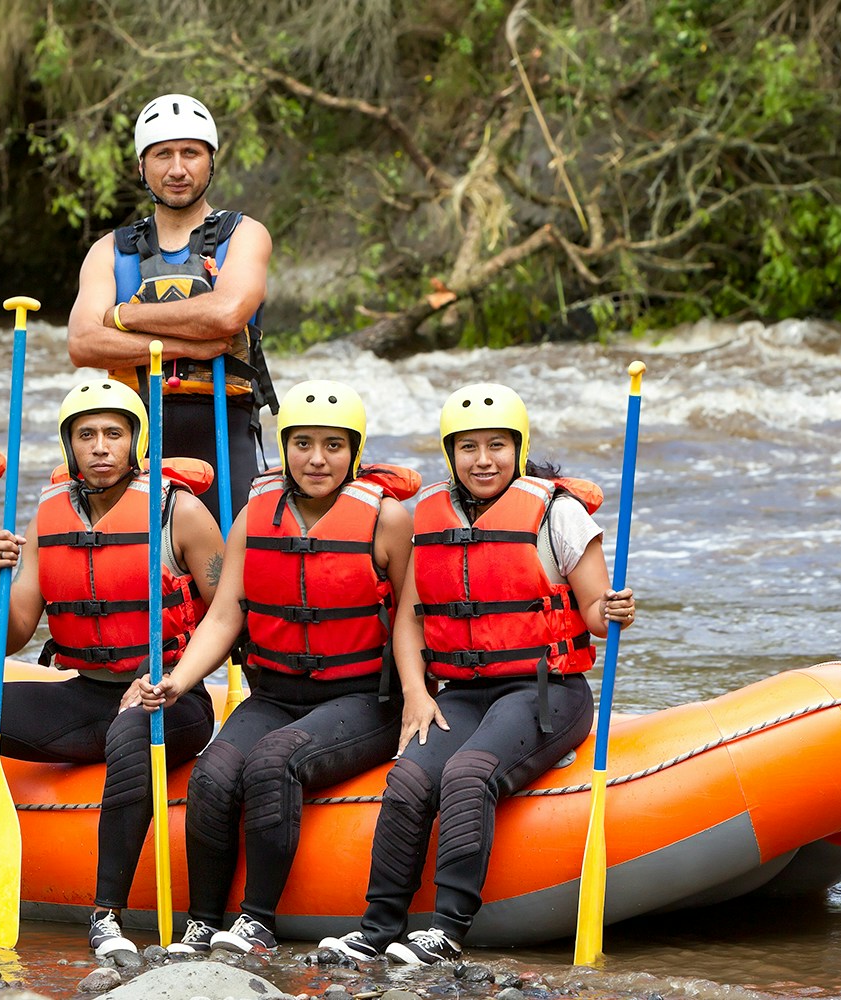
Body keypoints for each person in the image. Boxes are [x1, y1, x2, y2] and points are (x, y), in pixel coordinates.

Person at [0, 378, 226, 958]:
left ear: (137, 441)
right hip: (86, 695)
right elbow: (14, 635)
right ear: (69, 446)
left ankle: (107, 915)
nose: (100, 447)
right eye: (86, 435)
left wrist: (172, 680)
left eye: (114, 434)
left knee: (132, 730)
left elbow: (226, 614)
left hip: (172, 700)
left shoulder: (182, 513)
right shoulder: (49, 515)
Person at [317, 383, 637, 965]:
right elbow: (411, 621)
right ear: (450, 453)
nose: (482, 460)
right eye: (468, 448)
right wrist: (415, 694)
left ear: (518, 448)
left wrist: (613, 610)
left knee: (468, 772)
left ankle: (445, 932)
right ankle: (376, 929)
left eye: (496, 446)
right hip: (462, 691)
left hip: (546, 690)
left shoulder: (556, 513)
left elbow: (593, 612)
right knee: (411, 777)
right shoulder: (429, 518)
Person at [133, 380, 419, 954]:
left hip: (364, 697)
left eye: (334, 445)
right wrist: (177, 681)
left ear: (355, 451)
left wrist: (415, 694)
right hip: (275, 692)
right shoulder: (254, 515)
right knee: (213, 775)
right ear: (283, 447)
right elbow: (222, 618)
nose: (318, 459)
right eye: (304, 443)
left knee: (273, 761)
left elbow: (412, 619)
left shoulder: (387, 520)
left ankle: (256, 921)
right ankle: (201, 924)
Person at [66, 92, 278, 522]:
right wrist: (190, 346)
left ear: (211, 161)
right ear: (142, 167)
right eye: (163, 155)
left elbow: (225, 314)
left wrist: (123, 317)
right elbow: (83, 343)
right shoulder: (110, 250)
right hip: (133, 440)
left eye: (191, 153)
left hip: (225, 432)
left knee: (229, 576)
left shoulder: (246, 234)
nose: (178, 169)